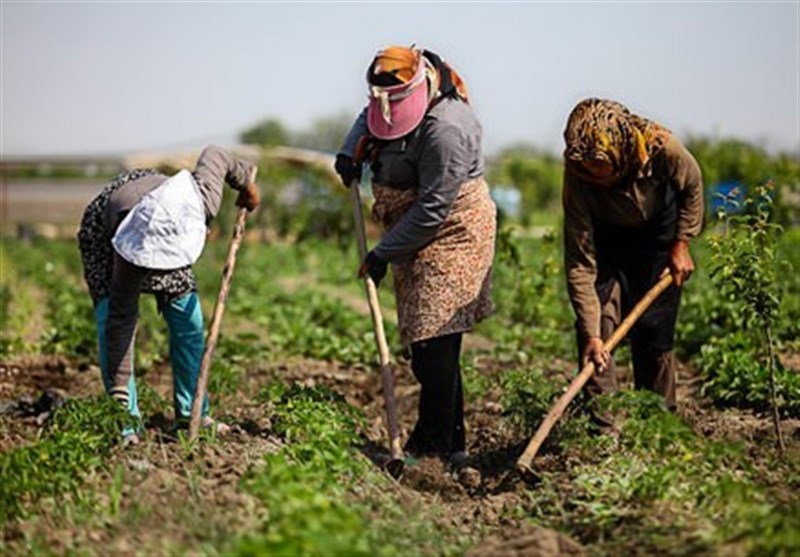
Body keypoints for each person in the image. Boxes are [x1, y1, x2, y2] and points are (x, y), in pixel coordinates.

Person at [335, 46, 496, 463]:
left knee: (435, 339)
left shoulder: (448, 128)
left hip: (452, 229)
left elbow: (432, 209)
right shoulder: (388, 97)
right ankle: (453, 447)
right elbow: (370, 115)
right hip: (412, 226)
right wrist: (349, 151)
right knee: (429, 345)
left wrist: (382, 254)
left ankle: (431, 445)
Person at [77, 146, 260, 444]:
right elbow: (120, 325)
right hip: (111, 229)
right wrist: (121, 401)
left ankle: (193, 413)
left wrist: (247, 186)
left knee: (188, 321)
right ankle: (124, 421)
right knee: (111, 316)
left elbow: (215, 154)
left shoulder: (201, 199)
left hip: (169, 215)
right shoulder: (128, 253)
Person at [562, 98, 704, 417]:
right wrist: (592, 335)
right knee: (598, 324)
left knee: (655, 329)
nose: (592, 177)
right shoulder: (577, 177)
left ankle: (656, 421)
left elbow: (692, 186)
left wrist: (681, 243)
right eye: (584, 170)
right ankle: (603, 425)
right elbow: (580, 262)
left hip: (658, 236)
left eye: (599, 169)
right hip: (607, 238)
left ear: (621, 153)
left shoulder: (663, 148)